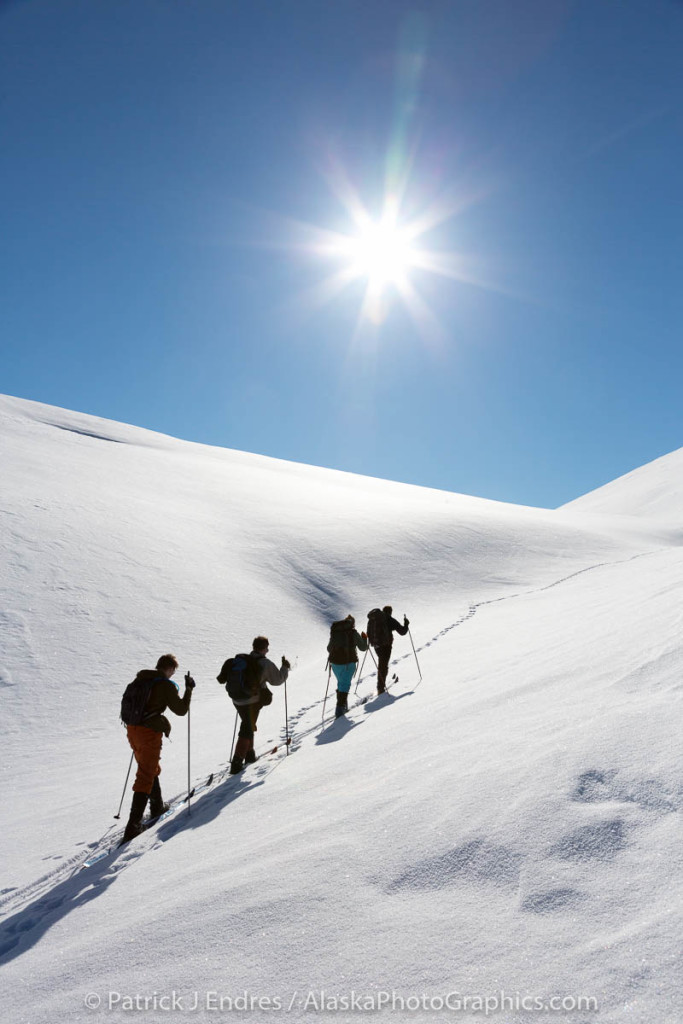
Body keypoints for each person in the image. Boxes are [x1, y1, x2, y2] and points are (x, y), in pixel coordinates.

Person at [121, 653, 195, 843]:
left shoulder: (141, 680)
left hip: (132, 729)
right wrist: (188, 689)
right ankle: (133, 826)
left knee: (147, 766)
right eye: (173, 671)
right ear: (169, 669)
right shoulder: (164, 685)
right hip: (148, 732)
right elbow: (181, 710)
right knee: (146, 773)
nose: (172, 674)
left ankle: (156, 806)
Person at [230, 636, 289, 774]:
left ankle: (249, 754)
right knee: (247, 727)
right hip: (252, 701)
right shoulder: (264, 663)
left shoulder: (243, 660)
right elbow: (278, 680)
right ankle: (237, 761)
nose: (267, 650)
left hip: (237, 699)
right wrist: (285, 667)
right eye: (267, 648)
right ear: (263, 649)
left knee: (247, 724)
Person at [327, 615, 368, 717]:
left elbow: (329, 648)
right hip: (348, 663)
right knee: (345, 685)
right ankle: (340, 710)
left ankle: (343, 706)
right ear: (352, 624)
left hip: (335, 664)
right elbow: (363, 648)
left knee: (341, 684)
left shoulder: (335, 632)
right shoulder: (353, 633)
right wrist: (365, 638)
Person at [367, 606, 409, 694]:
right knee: (383, 666)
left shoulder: (373, 619)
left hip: (376, 645)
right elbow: (402, 632)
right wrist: (406, 624)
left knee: (382, 663)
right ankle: (380, 688)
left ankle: (380, 686)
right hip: (386, 646)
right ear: (390, 612)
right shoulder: (389, 619)